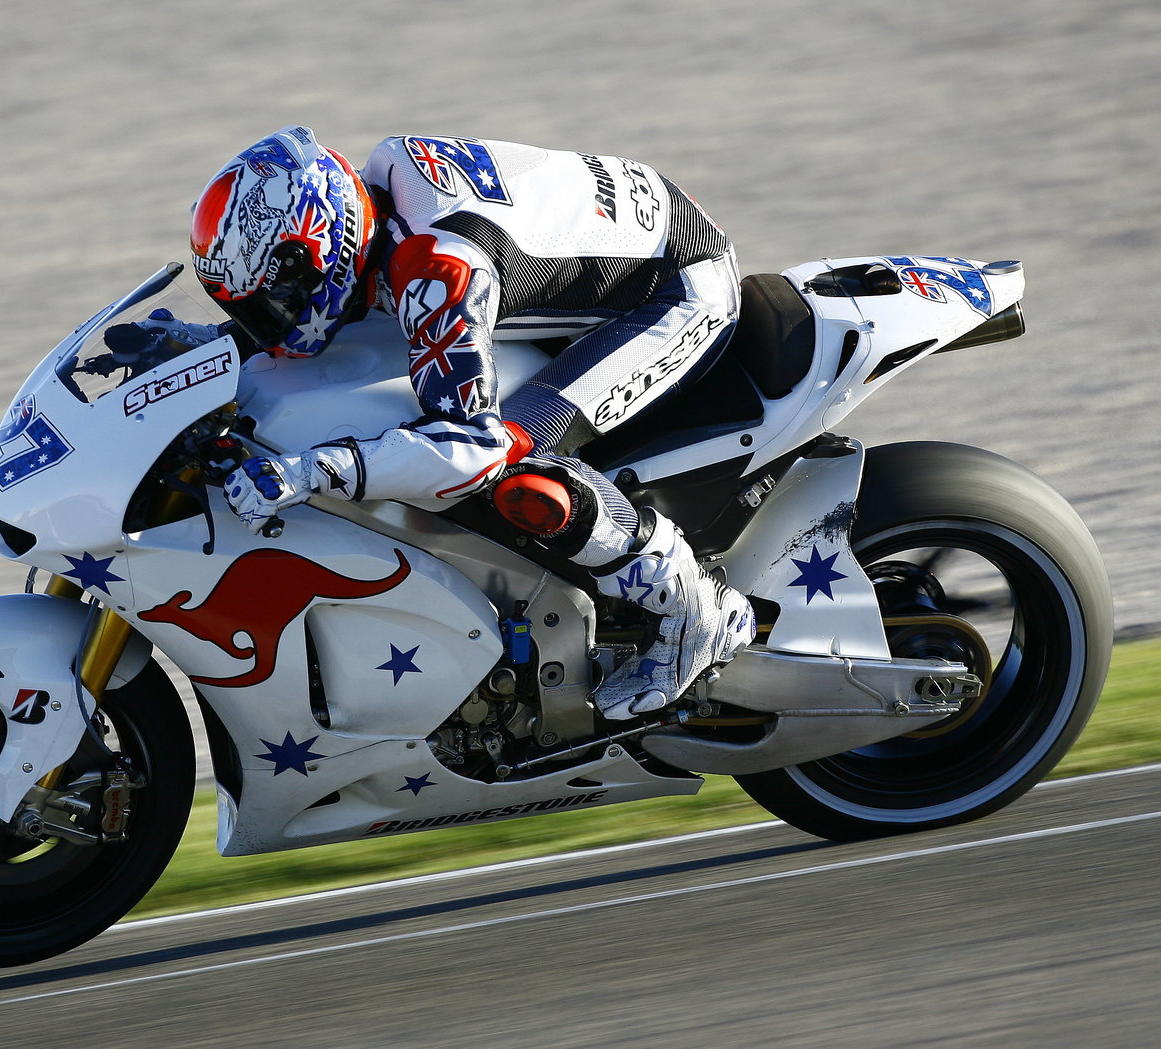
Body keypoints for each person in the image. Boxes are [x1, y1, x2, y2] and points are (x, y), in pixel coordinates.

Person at [188, 125, 754, 721]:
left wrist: (312, 472)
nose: (265, 324)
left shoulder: (437, 270)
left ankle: (692, 613)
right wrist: (198, 350)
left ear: (314, 252)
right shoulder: (375, 200)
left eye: (269, 303)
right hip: (630, 233)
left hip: (675, 293)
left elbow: (470, 449)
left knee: (521, 470)